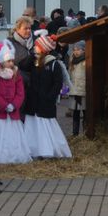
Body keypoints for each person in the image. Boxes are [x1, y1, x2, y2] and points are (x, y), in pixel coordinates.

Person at [24, 30, 72, 159]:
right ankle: (33, 150)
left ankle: (48, 150)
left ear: (44, 49)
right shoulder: (34, 62)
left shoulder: (54, 64)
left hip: (45, 103)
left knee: (45, 127)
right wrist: (31, 55)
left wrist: (49, 97)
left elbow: (57, 84)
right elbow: (23, 66)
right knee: (33, 127)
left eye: (37, 46)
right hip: (33, 102)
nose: (35, 48)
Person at [0, 40, 31, 164]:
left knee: (12, 136)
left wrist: (14, 105)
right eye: (8, 61)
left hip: (12, 112)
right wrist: (4, 105)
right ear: (1, 61)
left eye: (12, 61)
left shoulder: (16, 75)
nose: (11, 63)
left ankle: (13, 155)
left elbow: (20, 93)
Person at [8, 16, 35, 90]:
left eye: (29, 28)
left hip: (35, 78)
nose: (29, 30)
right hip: (19, 80)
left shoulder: (36, 41)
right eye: (25, 28)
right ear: (17, 29)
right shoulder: (10, 43)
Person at [68, 41, 86, 136]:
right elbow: (69, 75)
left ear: (83, 50)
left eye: (78, 49)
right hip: (74, 91)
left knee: (85, 113)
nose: (76, 52)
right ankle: (75, 134)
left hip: (83, 91)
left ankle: (86, 133)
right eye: (74, 50)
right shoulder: (72, 61)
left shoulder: (85, 61)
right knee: (75, 113)